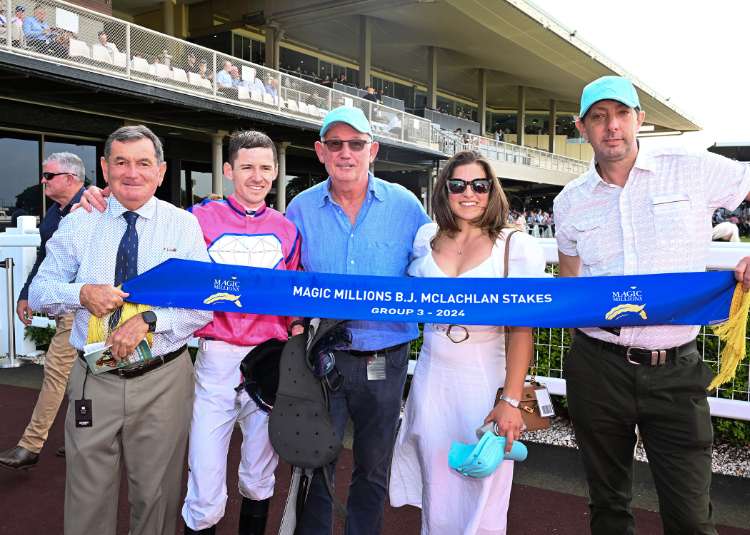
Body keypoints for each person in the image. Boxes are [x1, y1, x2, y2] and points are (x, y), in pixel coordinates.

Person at [553, 75, 750, 535]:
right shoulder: (570, 202)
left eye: (622, 114)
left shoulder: (690, 167)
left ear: (640, 119)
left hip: (675, 370)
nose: (612, 126)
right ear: (582, 128)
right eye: (599, 117)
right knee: (608, 507)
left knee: (690, 518)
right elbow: (570, 282)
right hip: (597, 367)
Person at [28, 125, 212, 535]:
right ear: (104, 167)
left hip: (163, 378)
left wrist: (150, 321)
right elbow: (40, 292)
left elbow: (203, 306)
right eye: (121, 162)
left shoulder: (183, 226)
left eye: (143, 163)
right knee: (87, 496)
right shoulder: (79, 223)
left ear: (161, 172)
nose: (132, 173)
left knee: (157, 497)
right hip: (94, 378)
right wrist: (81, 293)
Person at [285, 106, 430, 535]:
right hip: (322, 360)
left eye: (356, 143)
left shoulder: (406, 206)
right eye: (335, 144)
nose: (345, 153)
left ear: (373, 150)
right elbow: (287, 278)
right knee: (315, 462)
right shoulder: (300, 208)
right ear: (320, 152)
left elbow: (437, 265)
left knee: (373, 465)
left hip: (386, 359)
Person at [390, 150, 545, 534]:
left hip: (484, 380)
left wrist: (511, 401)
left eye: (479, 185)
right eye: (458, 185)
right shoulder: (426, 239)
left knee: (484, 486)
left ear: (492, 190)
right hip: (433, 378)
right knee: (437, 487)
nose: (469, 193)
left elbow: (521, 331)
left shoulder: (514, 247)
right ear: (445, 190)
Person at [182, 131, 302, 535]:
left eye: (266, 167)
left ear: (276, 172)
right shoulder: (197, 219)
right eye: (247, 167)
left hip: (269, 360)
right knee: (204, 480)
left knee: (259, 474)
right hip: (216, 359)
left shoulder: (287, 229)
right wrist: (100, 198)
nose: (257, 176)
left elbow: (294, 295)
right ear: (229, 170)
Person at [0, 153, 86, 471]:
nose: (43, 181)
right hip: (65, 303)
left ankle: (31, 445)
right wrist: (26, 295)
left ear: (71, 178)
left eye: (49, 175)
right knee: (81, 377)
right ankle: (83, 436)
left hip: (85, 305)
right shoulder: (53, 215)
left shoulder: (95, 208)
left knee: (56, 369)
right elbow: (43, 258)